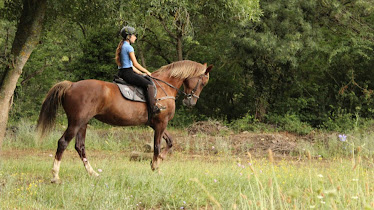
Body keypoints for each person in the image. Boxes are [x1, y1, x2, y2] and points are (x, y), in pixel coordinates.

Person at [115, 26, 160, 116]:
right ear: (128, 36)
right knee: (149, 84)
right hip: (128, 74)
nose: (135, 37)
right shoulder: (129, 48)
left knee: (144, 79)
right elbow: (135, 64)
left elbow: (130, 65)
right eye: (134, 35)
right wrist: (147, 72)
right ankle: (153, 108)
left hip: (123, 72)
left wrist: (140, 73)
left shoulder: (123, 45)